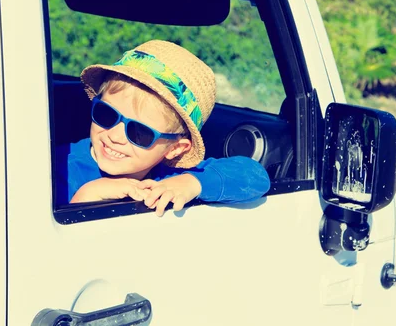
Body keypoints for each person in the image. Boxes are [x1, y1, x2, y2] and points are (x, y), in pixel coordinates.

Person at [55, 39, 270, 216]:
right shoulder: (56, 167)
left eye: (139, 133)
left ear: (175, 148)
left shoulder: (171, 178)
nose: (115, 136)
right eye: (106, 115)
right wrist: (86, 197)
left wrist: (193, 183)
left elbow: (255, 176)